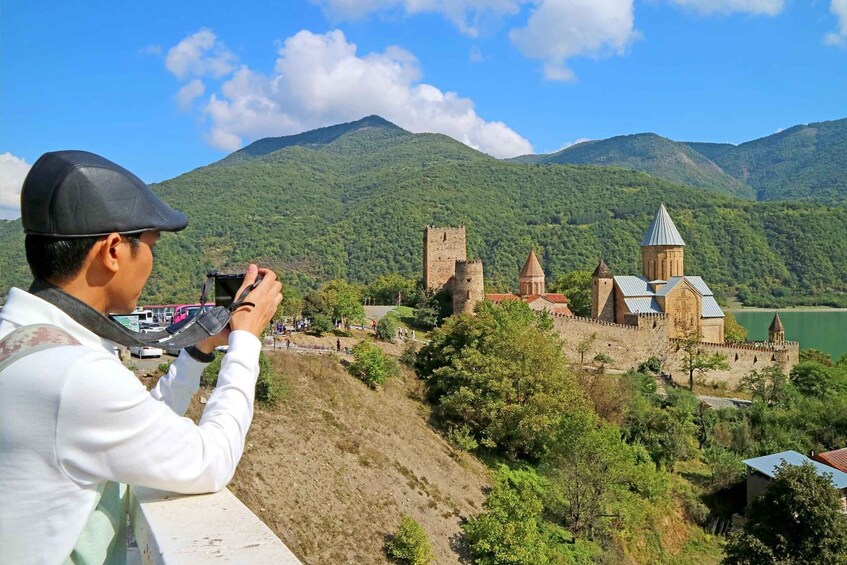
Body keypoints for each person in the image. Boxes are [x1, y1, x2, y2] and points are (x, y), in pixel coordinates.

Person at [0, 150, 283, 564]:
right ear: (113, 250)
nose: (152, 260)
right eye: (150, 245)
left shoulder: (29, 343)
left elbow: (132, 424)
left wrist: (199, 350)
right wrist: (247, 339)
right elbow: (210, 460)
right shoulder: (72, 375)